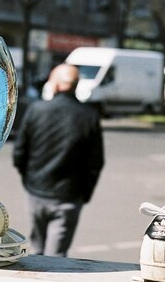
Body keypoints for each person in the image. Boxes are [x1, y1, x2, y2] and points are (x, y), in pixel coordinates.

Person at [12, 63, 104, 256]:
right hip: (69, 195)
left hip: (36, 191)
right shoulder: (89, 116)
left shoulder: (36, 110)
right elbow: (95, 162)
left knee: (36, 249)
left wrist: (29, 181)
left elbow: (19, 153)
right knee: (58, 256)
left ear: (54, 84)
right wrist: (84, 193)